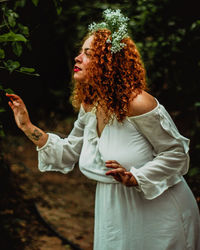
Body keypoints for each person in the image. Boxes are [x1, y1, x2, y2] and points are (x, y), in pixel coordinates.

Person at [6, 9, 200, 250]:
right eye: (80, 52)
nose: (78, 58)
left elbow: (176, 153)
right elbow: (68, 152)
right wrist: (27, 126)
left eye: (88, 54)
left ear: (109, 63)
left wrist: (137, 177)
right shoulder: (91, 105)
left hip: (160, 214)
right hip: (114, 212)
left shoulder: (137, 103)